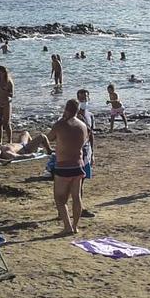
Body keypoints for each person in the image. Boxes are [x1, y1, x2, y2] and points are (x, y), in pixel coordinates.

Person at [50, 99, 90, 234]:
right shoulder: (83, 126)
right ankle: (75, 226)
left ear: (66, 109)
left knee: (60, 199)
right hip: (78, 165)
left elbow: (49, 137)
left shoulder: (60, 124)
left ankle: (67, 226)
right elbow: (85, 140)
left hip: (63, 166)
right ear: (78, 110)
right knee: (76, 197)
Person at [0, 63, 15, 140]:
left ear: (4, 73)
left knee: (7, 123)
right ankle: (0, 140)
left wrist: (1, 90)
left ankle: (10, 140)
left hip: (6, 103)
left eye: (0, 73)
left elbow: (11, 95)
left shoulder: (9, 82)